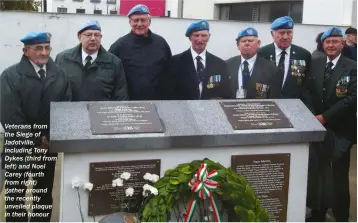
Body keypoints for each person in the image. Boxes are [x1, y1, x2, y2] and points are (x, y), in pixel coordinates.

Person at [0, 31, 71, 222]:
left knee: (44, 192)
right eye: (38, 48)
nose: (43, 52)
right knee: (16, 195)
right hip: (19, 146)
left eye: (47, 48)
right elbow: (10, 116)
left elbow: (64, 108)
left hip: (47, 147)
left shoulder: (60, 75)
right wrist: (35, 140)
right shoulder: (10, 76)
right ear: (26, 51)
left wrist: (49, 136)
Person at [305, 27, 357, 222]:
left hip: (341, 131)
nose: (331, 45)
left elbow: (352, 98)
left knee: (339, 177)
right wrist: (313, 116)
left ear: (342, 44)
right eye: (328, 42)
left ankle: (342, 215)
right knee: (319, 173)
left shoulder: (353, 67)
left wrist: (324, 117)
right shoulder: (316, 63)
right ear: (323, 44)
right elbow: (307, 91)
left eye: (335, 41)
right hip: (318, 129)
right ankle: (319, 211)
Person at [108, 4, 172, 100]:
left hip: (158, 102)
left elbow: (169, 72)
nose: (139, 24)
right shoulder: (119, 46)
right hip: (129, 103)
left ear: (149, 22)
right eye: (136, 20)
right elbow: (110, 75)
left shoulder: (161, 43)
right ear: (130, 22)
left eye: (143, 20)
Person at [56, 20, 129, 101]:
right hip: (71, 112)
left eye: (97, 35)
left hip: (101, 112)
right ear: (79, 36)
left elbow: (121, 96)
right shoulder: (63, 59)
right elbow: (56, 91)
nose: (93, 38)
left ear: (101, 37)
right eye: (88, 35)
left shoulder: (114, 62)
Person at [168, 19, 231, 100]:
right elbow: (169, 92)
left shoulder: (219, 64)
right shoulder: (175, 62)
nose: (200, 39)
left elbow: (225, 93)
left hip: (210, 110)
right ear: (190, 38)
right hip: (184, 110)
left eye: (204, 36)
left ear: (209, 37)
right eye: (196, 35)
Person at [258, 16, 311, 101]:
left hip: (294, 106)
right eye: (282, 33)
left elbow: (307, 85)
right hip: (267, 105)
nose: (286, 37)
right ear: (272, 34)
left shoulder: (303, 55)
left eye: (289, 32)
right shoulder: (261, 54)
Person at [226, 27, 281, 99]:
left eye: (251, 41)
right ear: (238, 45)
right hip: (231, 108)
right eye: (243, 41)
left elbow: (274, 98)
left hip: (259, 109)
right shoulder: (227, 65)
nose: (247, 44)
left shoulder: (271, 68)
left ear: (258, 44)